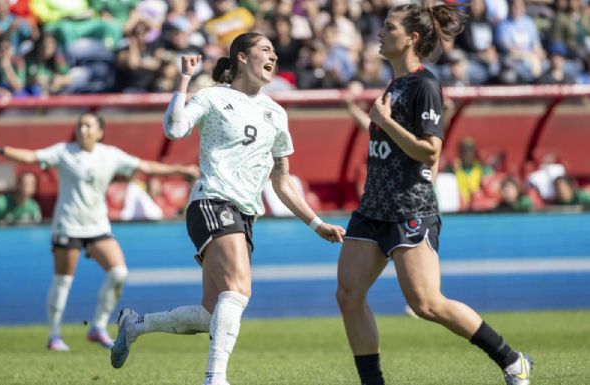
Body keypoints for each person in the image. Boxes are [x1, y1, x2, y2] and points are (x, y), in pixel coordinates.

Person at [110, 33, 346, 385]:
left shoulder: (276, 113)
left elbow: (282, 182)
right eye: (265, 49)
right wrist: (184, 79)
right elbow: (174, 129)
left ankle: (135, 324)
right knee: (238, 289)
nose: (273, 56)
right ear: (240, 57)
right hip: (212, 200)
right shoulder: (213, 97)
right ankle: (215, 379)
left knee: (211, 313)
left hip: (244, 215)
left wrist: (316, 222)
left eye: (274, 51)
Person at [335, 4, 534, 385]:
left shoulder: (424, 84)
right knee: (348, 294)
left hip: (409, 211)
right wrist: (379, 124)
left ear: (411, 38)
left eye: (388, 27)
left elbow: (430, 151)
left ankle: (512, 360)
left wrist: (384, 122)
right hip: (372, 209)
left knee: (427, 304)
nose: (379, 33)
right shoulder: (394, 83)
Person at [0, 112, 199, 351]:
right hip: (68, 225)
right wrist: (2, 151)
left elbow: (146, 166)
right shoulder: (64, 151)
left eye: (88, 125)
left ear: (100, 132)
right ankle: (54, 335)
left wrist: (181, 170)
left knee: (119, 272)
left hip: (98, 226)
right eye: (80, 124)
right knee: (63, 281)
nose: (83, 129)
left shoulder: (110, 155)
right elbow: (32, 156)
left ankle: (97, 326)